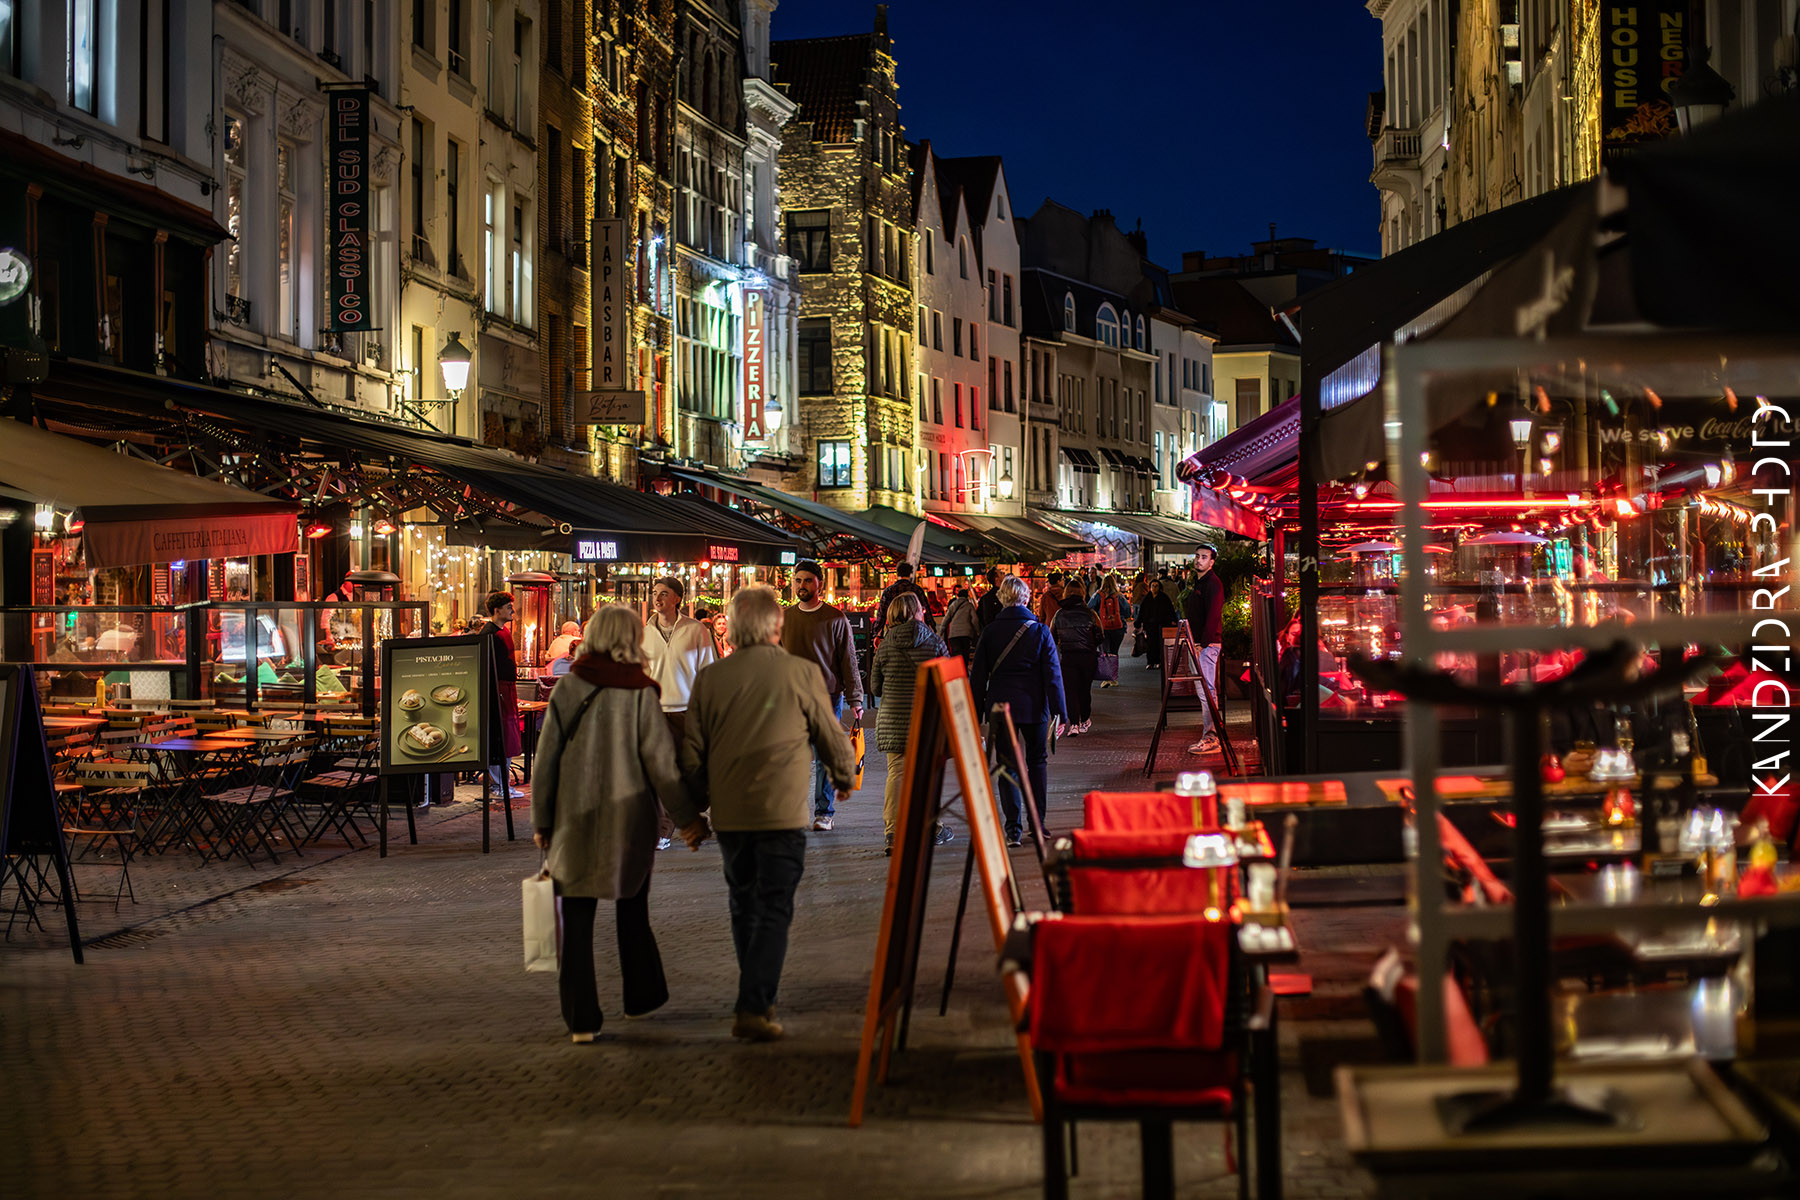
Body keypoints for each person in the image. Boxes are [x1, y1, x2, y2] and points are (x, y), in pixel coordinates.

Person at [681, 585, 856, 1042]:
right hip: (783, 812)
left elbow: (692, 756)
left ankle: (754, 993)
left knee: (743, 901)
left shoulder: (710, 679)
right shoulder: (800, 673)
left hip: (732, 815)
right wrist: (842, 778)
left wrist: (692, 815)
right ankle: (754, 1003)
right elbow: (829, 733)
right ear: (777, 626)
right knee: (775, 906)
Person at [531, 606, 699, 1044]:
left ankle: (582, 1019)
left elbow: (545, 759)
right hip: (631, 820)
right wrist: (687, 820)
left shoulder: (568, 689)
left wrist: (542, 819)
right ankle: (640, 998)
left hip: (574, 816)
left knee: (577, 917)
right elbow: (662, 766)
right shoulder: (643, 692)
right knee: (632, 909)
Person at [971, 575, 1066, 847]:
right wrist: (1061, 712)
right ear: (1026, 598)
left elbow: (978, 678)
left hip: (1001, 708)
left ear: (1002, 598)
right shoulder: (1039, 631)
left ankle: (1012, 828)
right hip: (1035, 706)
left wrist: (976, 716)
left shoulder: (989, 632)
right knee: (1037, 762)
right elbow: (1053, 675)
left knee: (1007, 766)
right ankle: (1038, 824)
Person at [779, 560, 864, 832]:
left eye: (807, 580)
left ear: (819, 584)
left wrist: (856, 699)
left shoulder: (835, 618)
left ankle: (823, 812)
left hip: (827, 696)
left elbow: (848, 661)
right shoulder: (784, 618)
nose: (801, 585)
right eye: (797, 580)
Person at [872, 594, 955, 854]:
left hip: (894, 719)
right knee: (927, 775)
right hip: (926, 719)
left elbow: (874, 687)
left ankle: (893, 832)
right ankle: (932, 827)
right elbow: (948, 683)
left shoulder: (885, 645)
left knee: (897, 772)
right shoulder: (935, 642)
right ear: (917, 612)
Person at [642, 575, 719, 849]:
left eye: (664, 593)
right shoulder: (645, 633)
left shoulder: (696, 630)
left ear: (677, 598)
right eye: (654, 592)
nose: (657, 598)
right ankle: (662, 830)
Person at [478, 591, 526, 799]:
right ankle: (499, 786)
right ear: (497, 610)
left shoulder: (500, 631)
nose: (512, 611)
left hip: (505, 689)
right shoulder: (489, 633)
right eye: (508, 607)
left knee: (506, 736)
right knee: (500, 736)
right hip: (497, 691)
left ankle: (501, 785)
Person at [1184, 544, 1228, 756]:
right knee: (1205, 691)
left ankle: (1211, 737)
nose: (1199, 560)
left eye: (1204, 557)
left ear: (1211, 562)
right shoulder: (1201, 582)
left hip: (1206, 645)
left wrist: (1203, 642)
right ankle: (1210, 735)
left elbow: (1213, 615)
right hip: (1201, 643)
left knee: (1207, 691)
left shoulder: (1212, 584)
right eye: (1197, 556)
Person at [1050, 582, 1102, 736]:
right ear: (1082, 593)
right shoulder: (1091, 614)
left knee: (1070, 691)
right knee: (1085, 690)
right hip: (1088, 657)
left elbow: (1051, 636)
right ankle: (1085, 719)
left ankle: (1074, 725)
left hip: (1068, 657)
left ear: (1066, 593)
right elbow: (1100, 636)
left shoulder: (1059, 614)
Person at [871, 560, 930, 637]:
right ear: (910, 574)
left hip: (894, 632)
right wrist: (931, 627)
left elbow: (882, 614)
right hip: (915, 632)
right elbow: (927, 612)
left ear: (897, 573)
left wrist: (877, 632)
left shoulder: (889, 591)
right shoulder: (917, 590)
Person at [1091, 573, 1130, 684]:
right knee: (1114, 652)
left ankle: (1106, 678)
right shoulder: (1120, 596)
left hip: (1102, 628)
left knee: (1105, 652)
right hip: (1118, 628)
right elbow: (1127, 612)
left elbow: (1089, 608)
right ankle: (1113, 678)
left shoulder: (1098, 595)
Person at [937, 582, 981, 661]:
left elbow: (946, 619)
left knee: (956, 655)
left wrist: (941, 632)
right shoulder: (969, 605)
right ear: (966, 596)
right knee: (965, 654)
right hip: (966, 634)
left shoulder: (953, 605)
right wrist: (978, 631)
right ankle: (965, 670)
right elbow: (975, 620)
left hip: (953, 634)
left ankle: (958, 671)